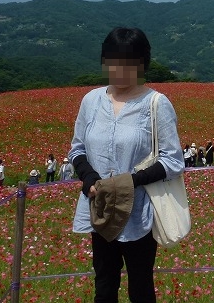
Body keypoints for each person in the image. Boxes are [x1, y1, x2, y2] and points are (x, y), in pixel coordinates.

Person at [68, 27, 184, 303]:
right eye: (113, 62)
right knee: (104, 285)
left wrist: (129, 181)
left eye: (129, 64)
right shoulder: (91, 100)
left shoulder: (156, 104)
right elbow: (77, 149)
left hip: (139, 212)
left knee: (140, 287)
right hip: (101, 209)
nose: (120, 70)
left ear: (142, 64)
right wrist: (89, 178)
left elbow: (173, 160)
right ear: (104, 61)